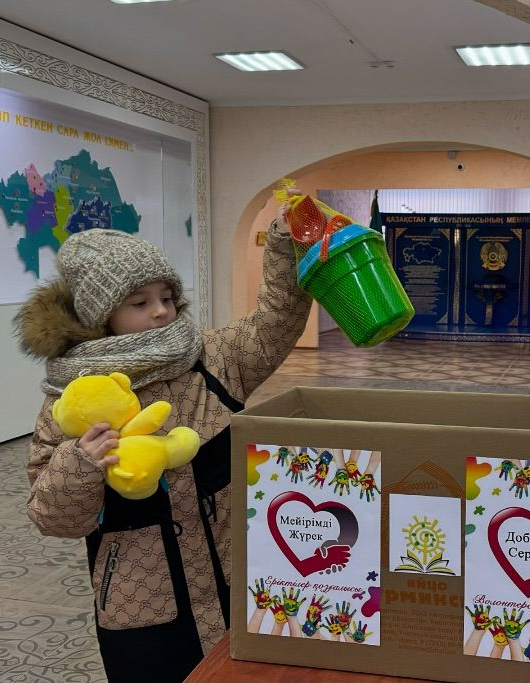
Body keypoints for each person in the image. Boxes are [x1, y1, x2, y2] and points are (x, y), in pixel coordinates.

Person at [17, 223, 311, 682]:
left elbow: (275, 322)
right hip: (143, 607)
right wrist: (80, 462)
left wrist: (283, 246)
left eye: (167, 297)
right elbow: (54, 518)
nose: (161, 311)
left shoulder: (213, 360)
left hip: (241, 581)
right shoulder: (72, 401)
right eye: (140, 302)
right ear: (100, 317)